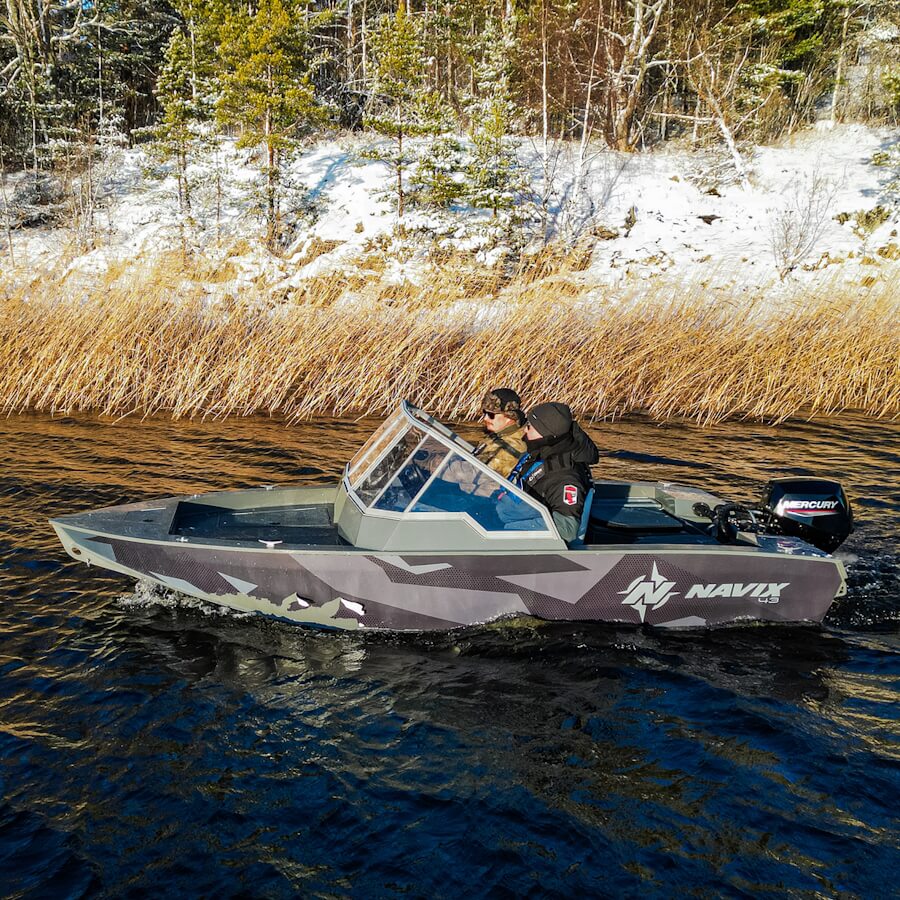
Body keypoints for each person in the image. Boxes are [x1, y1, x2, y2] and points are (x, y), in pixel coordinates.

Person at [507, 402, 599, 543]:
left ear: (544, 433)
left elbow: (566, 530)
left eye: (529, 426)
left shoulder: (564, 477)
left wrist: (506, 528)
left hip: (527, 541)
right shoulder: (542, 454)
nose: (525, 430)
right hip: (514, 513)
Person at [473, 388, 528, 478]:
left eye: (491, 415)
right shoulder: (501, 433)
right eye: (484, 413)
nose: (485, 418)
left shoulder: (511, 448)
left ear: (510, 416)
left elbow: (478, 476)